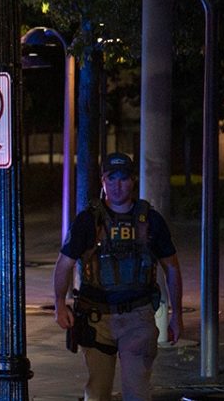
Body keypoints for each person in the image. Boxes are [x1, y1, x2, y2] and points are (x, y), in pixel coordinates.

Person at [53, 152, 183, 401]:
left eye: (123, 178)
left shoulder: (151, 221)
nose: (117, 185)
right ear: (103, 181)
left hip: (138, 317)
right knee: (97, 392)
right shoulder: (88, 221)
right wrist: (60, 303)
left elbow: (172, 268)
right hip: (96, 317)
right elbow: (64, 263)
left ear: (133, 181)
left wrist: (176, 314)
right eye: (111, 179)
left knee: (137, 392)